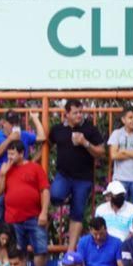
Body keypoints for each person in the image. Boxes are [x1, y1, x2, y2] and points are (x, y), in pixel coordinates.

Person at [47, 99, 106, 248]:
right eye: (75, 113)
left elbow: (101, 152)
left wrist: (85, 143)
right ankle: (68, 197)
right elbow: (47, 144)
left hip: (83, 179)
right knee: (54, 196)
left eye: (81, 112)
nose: (79, 115)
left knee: (77, 214)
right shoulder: (58, 129)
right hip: (64, 175)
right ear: (66, 114)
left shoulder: (89, 129)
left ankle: (71, 250)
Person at [0, 141, 51, 266]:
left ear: (21, 153)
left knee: (40, 249)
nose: (10, 157)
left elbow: (45, 190)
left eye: (13, 154)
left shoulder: (35, 168)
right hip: (13, 219)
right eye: (8, 154)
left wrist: (44, 212)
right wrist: (3, 174)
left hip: (34, 216)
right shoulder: (6, 170)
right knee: (16, 252)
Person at [0, 108, 41, 207]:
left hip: (17, 182)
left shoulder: (23, 135)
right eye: (11, 123)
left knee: (15, 218)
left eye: (16, 124)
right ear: (3, 123)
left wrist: (35, 119)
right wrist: (10, 139)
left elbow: (42, 137)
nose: (14, 126)